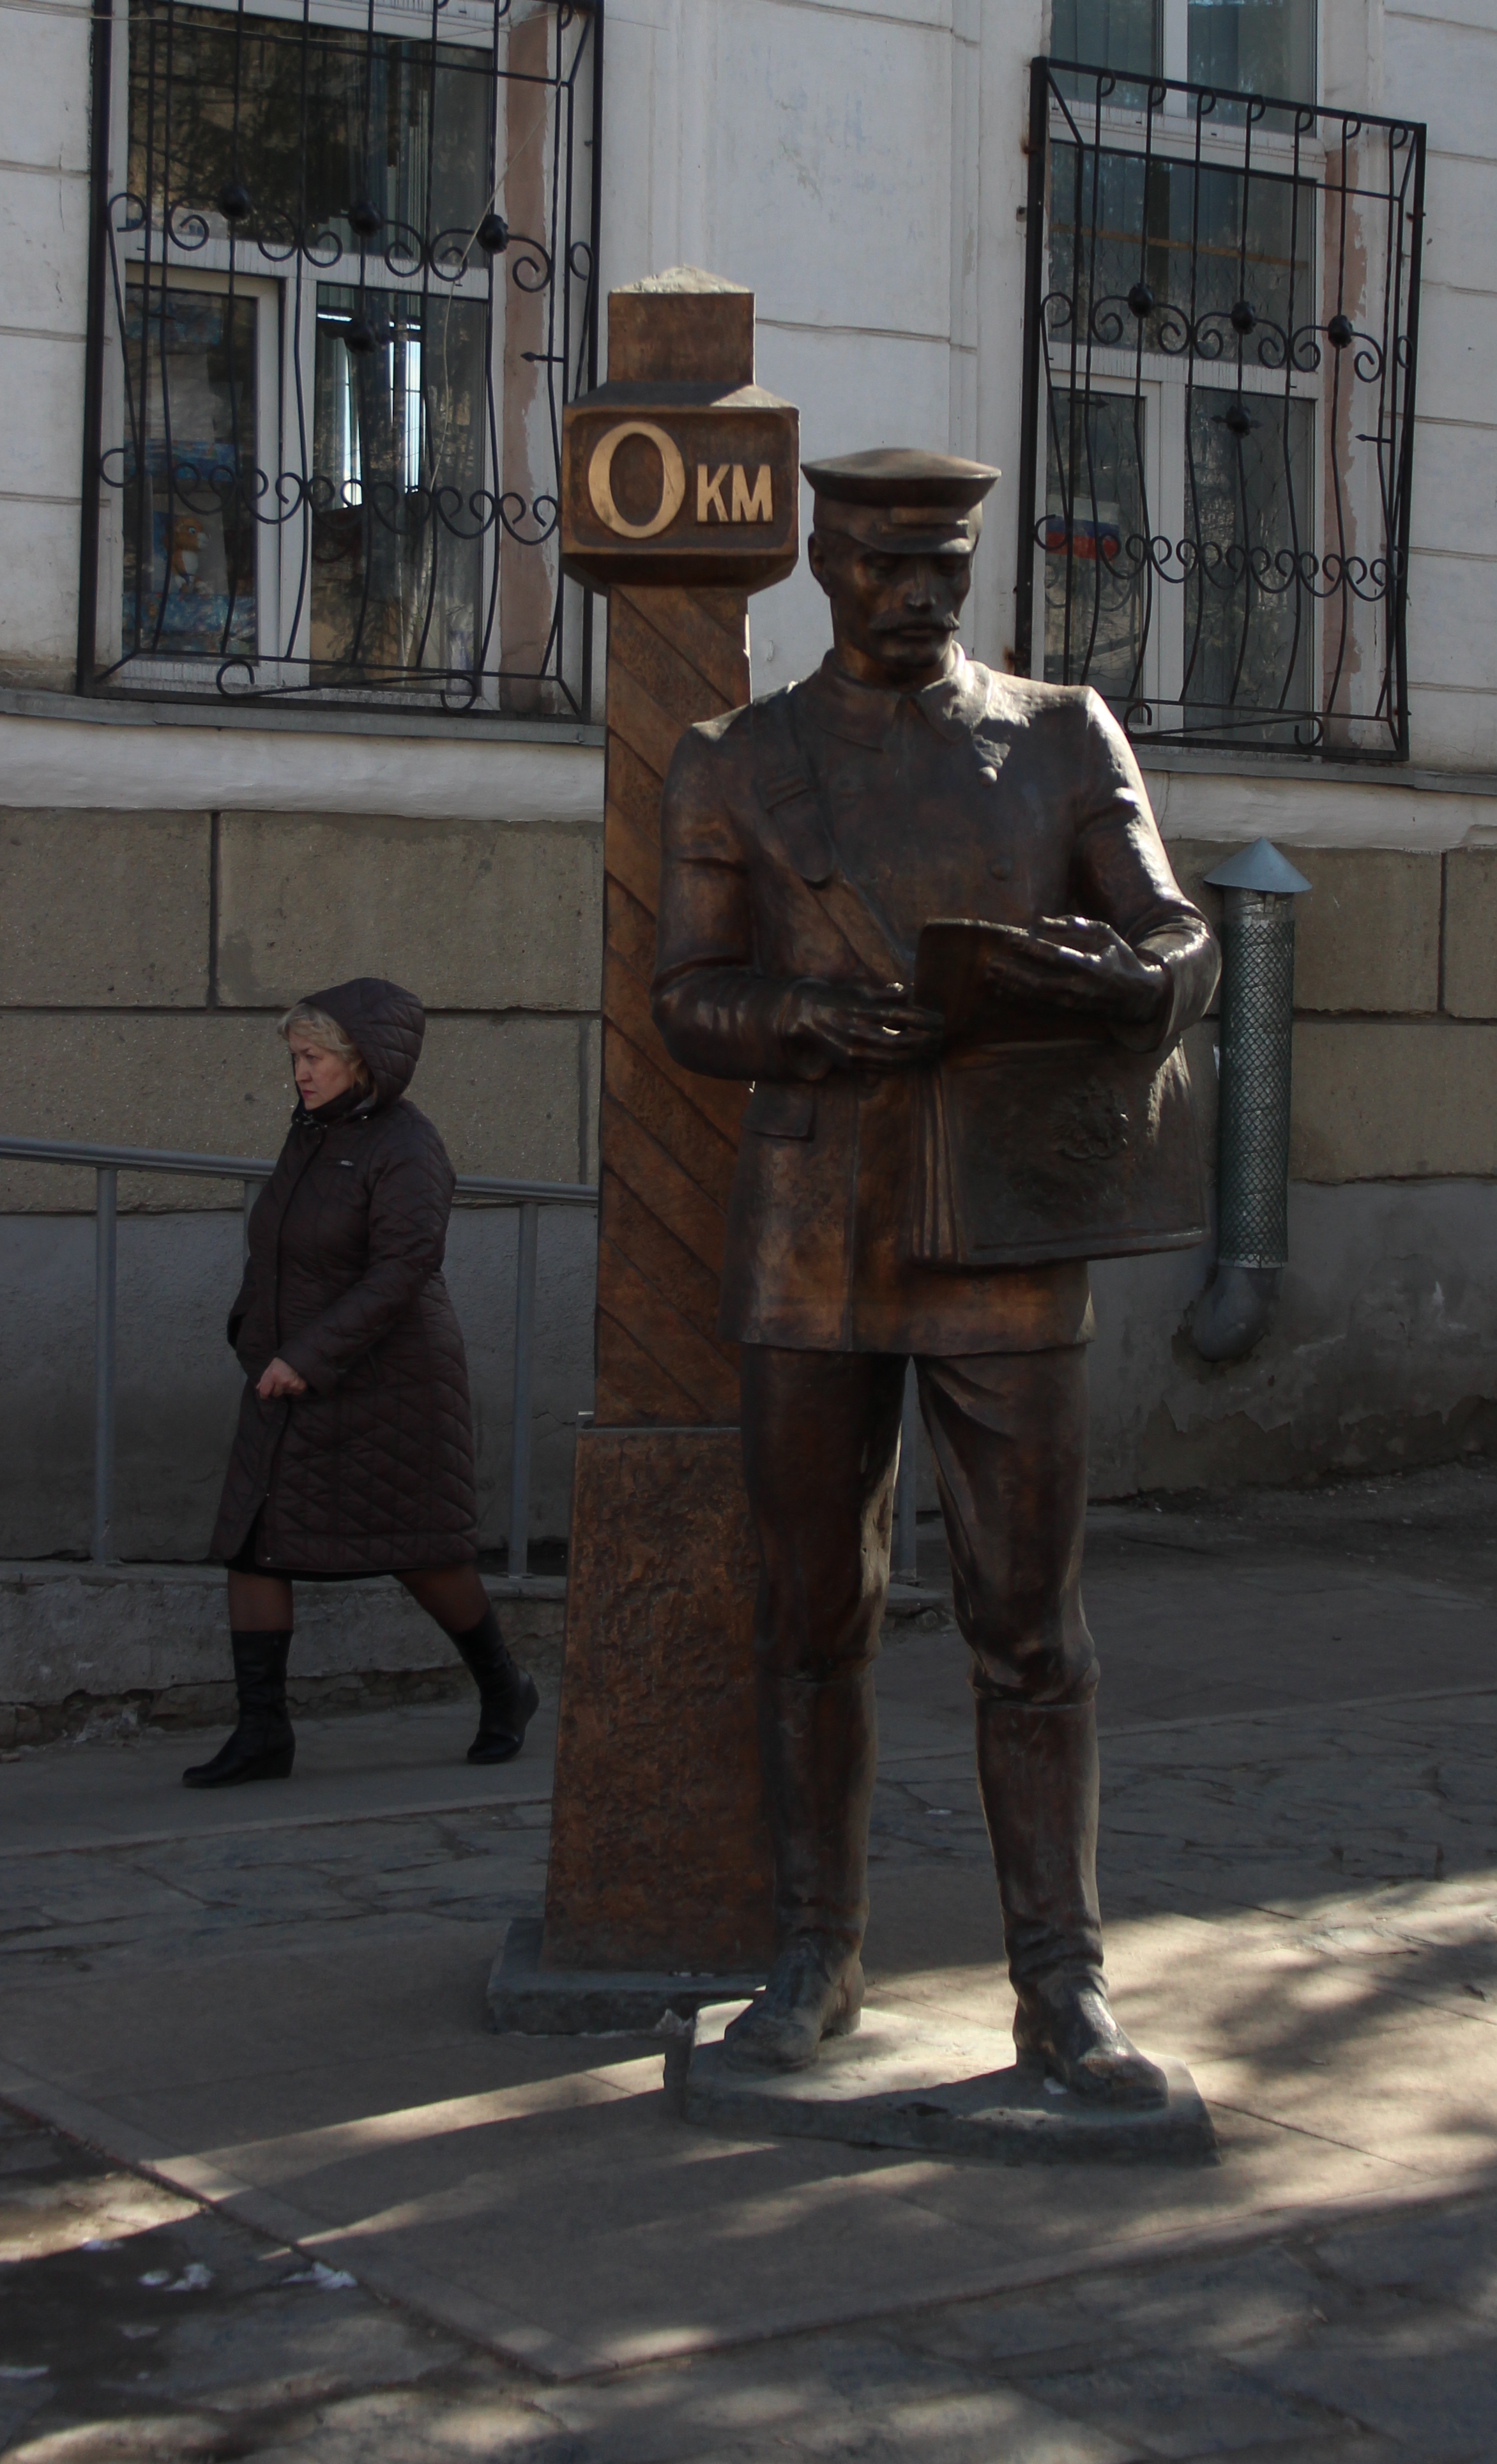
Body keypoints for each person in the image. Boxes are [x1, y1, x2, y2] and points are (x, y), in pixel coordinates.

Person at [651, 448, 1219, 2103]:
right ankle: (814, 1950)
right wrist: (803, 1020)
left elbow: (1183, 937)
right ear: (823, 564)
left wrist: (1125, 981)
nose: (915, 598)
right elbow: (687, 993)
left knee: (1028, 1621)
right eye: (885, 570)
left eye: (943, 572)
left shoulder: (1059, 737)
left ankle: (1063, 1984)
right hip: (814, 1227)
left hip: (1005, 1223)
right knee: (812, 1614)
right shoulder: (734, 764)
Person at [185, 975, 540, 1789]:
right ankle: (263, 1734)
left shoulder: (408, 1146)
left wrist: (308, 1356)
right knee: (254, 1546)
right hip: (288, 1381)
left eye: (314, 1057)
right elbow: (273, 1243)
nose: (301, 1073)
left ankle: (504, 1690)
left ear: (362, 1060)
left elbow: (405, 1268)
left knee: (420, 1553)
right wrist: (253, 1332)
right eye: (296, 1058)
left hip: (389, 1384)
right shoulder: (309, 1134)